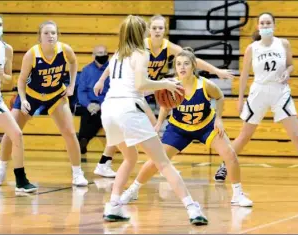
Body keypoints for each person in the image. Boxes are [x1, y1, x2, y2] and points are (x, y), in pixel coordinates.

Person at [93, 15, 208, 225]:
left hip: (109, 109)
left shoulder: (118, 54)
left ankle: (113, 205)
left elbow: (129, 89)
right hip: (127, 108)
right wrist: (165, 83)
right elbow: (139, 85)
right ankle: (192, 208)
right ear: (141, 33)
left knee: (130, 158)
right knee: (163, 162)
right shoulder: (141, 53)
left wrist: (152, 117)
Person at [120, 48, 253, 207]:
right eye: (178, 64)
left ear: (193, 66)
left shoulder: (205, 84)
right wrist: (158, 123)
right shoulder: (171, 85)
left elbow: (219, 97)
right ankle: (133, 190)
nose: (182, 67)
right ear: (175, 67)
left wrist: (218, 118)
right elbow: (165, 106)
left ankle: (238, 195)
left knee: (230, 154)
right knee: (157, 160)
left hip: (205, 126)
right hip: (178, 129)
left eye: (186, 64)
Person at [215, 12, 298, 186]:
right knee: (245, 135)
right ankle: (224, 164)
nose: (266, 26)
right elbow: (244, 75)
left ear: (274, 25)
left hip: (280, 91)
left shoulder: (283, 44)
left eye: (268, 23)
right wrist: (240, 98)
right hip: (258, 91)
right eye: (262, 23)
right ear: (258, 27)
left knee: (296, 135)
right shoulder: (252, 48)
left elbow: (291, 65)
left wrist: (287, 72)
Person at [0, 20, 88, 186]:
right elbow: (21, 81)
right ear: (39, 37)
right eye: (46, 33)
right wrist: (22, 101)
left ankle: (78, 173)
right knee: (11, 132)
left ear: (57, 35)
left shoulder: (65, 50)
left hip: (56, 95)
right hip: (31, 95)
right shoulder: (32, 54)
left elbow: (73, 63)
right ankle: (1, 169)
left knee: (70, 133)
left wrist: (71, 85)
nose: (50, 36)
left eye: (53, 33)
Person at [146, 15, 232, 181]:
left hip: (155, 87)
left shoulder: (168, 47)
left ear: (165, 30)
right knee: (131, 135)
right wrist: (102, 79)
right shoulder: (142, 47)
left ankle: (161, 168)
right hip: (140, 87)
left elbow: (193, 60)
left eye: (160, 28)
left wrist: (217, 71)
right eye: (154, 28)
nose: (157, 31)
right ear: (149, 30)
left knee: (147, 139)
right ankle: (109, 163)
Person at [0, 13, 37, 192]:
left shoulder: (6, 49)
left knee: (16, 134)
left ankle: (21, 180)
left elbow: (9, 80)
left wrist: (2, 75)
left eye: (0, 24)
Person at [77, 45, 117, 177]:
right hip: (89, 104)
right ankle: (83, 138)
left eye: (105, 52)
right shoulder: (86, 70)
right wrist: (88, 104)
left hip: (106, 102)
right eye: (100, 53)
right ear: (93, 55)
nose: (103, 54)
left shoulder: (112, 70)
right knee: (88, 113)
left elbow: (113, 89)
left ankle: (83, 138)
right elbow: (81, 91)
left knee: (100, 114)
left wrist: (100, 104)